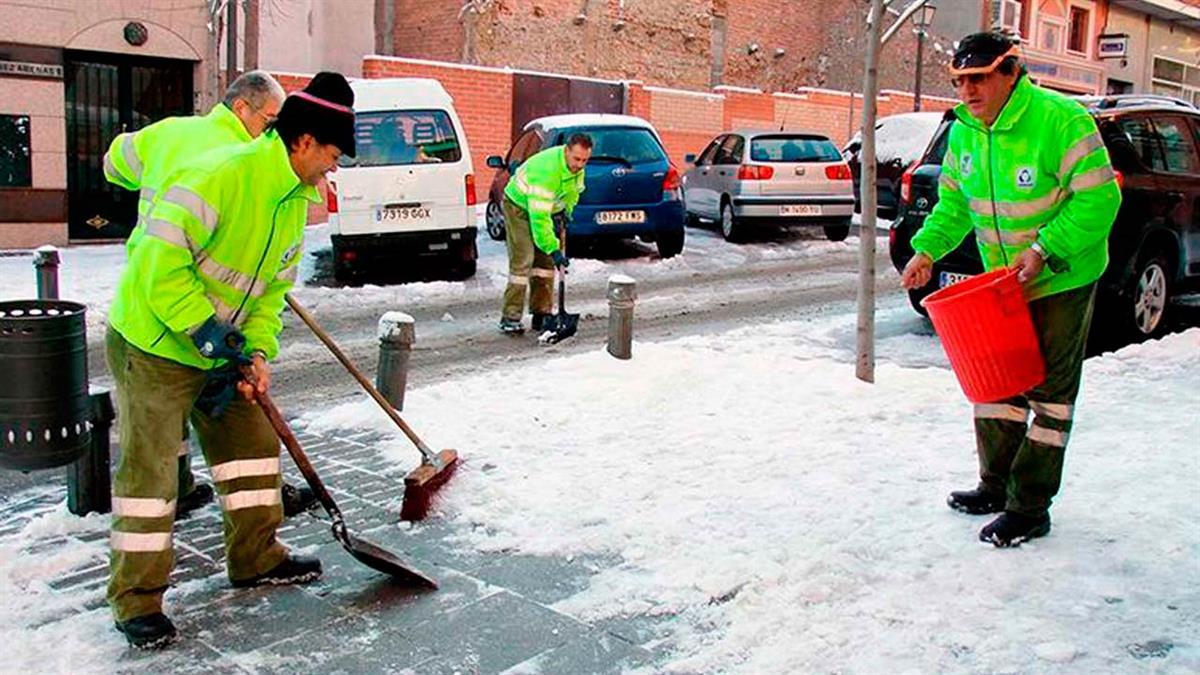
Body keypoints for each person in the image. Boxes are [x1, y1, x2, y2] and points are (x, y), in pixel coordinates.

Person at [104, 72, 356, 649]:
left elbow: (270, 290)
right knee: (151, 473)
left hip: (222, 345)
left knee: (250, 450)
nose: (335, 169)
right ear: (304, 142)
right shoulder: (219, 175)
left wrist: (257, 350)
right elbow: (156, 268)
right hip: (155, 343)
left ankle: (257, 556)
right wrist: (208, 334)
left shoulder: (294, 201)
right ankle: (136, 598)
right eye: (335, 154)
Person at [900, 32, 1120, 547]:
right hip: (1002, 282)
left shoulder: (1061, 121)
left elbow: (1100, 200)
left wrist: (1044, 249)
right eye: (959, 81)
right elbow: (954, 205)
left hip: (1062, 275)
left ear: (1010, 72)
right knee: (997, 385)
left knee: (1049, 395)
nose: (968, 91)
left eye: (978, 79)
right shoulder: (965, 132)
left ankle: (1030, 506)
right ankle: (995, 485)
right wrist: (927, 251)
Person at [102, 71, 317, 520]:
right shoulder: (236, 161)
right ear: (243, 109)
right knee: (162, 430)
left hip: (173, 299)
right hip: (168, 303)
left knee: (175, 426)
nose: (275, 131)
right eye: (271, 119)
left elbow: (113, 162)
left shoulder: (169, 133)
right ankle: (180, 503)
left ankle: (184, 491)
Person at [498, 134, 592, 334]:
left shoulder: (576, 170)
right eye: (576, 159)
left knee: (545, 265)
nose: (580, 164)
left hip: (544, 209)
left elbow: (573, 192)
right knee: (524, 258)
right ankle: (510, 316)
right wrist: (555, 249)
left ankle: (541, 313)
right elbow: (539, 221)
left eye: (584, 160)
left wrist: (567, 212)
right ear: (567, 151)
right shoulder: (547, 172)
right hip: (518, 207)